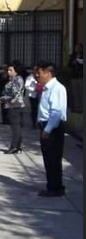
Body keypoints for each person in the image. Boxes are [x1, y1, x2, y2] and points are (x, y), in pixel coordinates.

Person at [35, 63, 68, 198]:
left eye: (39, 72)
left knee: (53, 158)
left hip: (52, 127)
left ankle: (55, 188)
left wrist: (47, 129)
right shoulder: (47, 88)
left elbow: (56, 112)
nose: (37, 75)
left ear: (48, 73)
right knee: (49, 159)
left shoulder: (56, 88)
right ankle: (53, 186)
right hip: (47, 125)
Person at [0, 64, 26, 155]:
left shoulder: (16, 81)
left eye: (11, 70)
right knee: (17, 127)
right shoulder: (15, 79)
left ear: (16, 71)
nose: (8, 72)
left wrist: (2, 99)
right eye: (8, 70)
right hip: (17, 105)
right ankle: (18, 146)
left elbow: (14, 94)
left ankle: (14, 147)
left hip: (14, 106)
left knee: (15, 127)